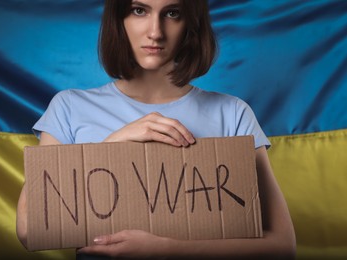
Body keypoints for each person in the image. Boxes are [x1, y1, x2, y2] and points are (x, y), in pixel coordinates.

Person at [16, 0, 296, 259]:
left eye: (172, 13)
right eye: (139, 10)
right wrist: (112, 146)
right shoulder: (69, 106)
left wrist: (167, 249)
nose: (155, 32)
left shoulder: (232, 112)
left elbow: (282, 245)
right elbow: (29, 230)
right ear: (119, 20)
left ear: (191, 23)